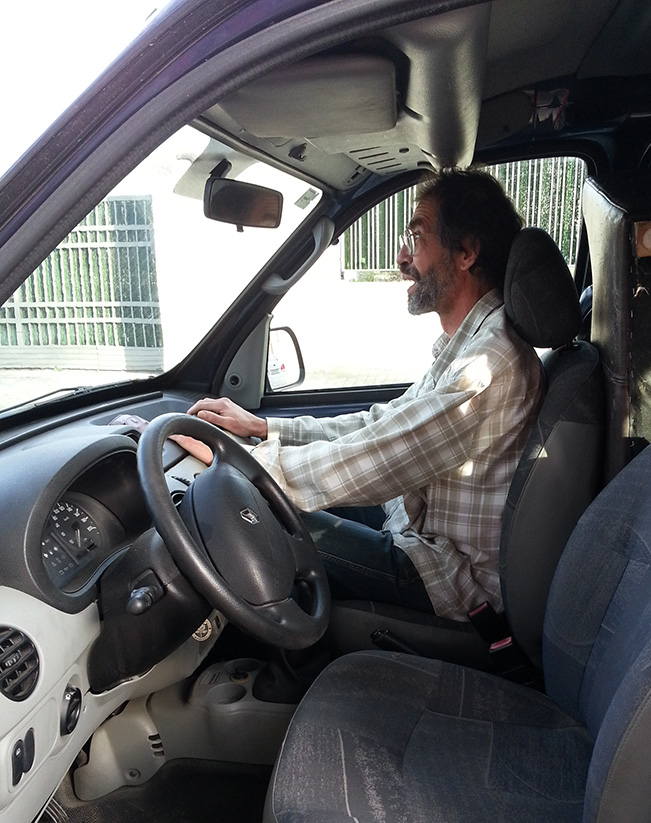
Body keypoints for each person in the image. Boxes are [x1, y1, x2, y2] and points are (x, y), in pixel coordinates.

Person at [185, 169, 544, 621]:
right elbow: (382, 424)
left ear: (467, 252)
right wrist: (264, 428)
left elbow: (385, 454)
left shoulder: (491, 362)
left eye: (417, 238)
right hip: (419, 533)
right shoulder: (471, 344)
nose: (402, 257)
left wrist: (242, 463)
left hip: (452, 577)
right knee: (262, 511)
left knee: (250, 521)